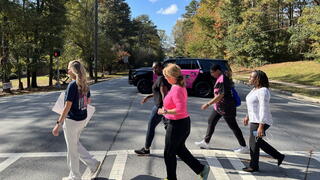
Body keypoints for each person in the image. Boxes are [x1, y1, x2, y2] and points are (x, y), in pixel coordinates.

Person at [158, 63, 209, 180]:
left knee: (169, 153)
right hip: (181, 124)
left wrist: (164, 111)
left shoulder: (176, 88)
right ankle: (201, 169)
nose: (165, 78)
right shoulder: (177, 86)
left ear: (172, 76)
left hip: (177, 125)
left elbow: (180, 110)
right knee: (179, 150)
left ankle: (171, 178)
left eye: (166, 76)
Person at [52, 60, 100, 180]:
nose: (67, 70)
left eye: (68, 68)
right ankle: (91, 163)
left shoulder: (72, 85)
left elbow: (67, 106)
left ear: (72, 71)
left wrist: (58, 123)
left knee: (72, 149)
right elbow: (88, 101)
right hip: (81, 120)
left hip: (72, 121)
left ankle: (75, 176)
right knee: (75, 145)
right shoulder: (84, 83)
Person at [195, 64, 249, 154]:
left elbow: (220, 95)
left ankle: (244, 146)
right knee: (211, 121)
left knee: (233, 126)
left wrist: (208, 104)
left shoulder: (223, 79)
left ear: (218, 71)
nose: (212, 74)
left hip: (227, 107)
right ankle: (206, 142)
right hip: (219, 107)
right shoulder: (220, 78)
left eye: (212, 72)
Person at [242, 70, 285, 172]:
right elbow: (253, 106)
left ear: (258, 79)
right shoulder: (255, 89)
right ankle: (279, 156)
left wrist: (261, 126)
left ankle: (253, 166)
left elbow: (263, 109)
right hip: (254, 120)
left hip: (260, 121)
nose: (249, 78)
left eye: (251, 77)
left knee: (254, 143)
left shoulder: (263, 91)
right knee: (258, 142)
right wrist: (247, 116)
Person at [135, 62, 170, 155]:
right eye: (153, 68)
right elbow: (157, 92)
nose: (154, 70)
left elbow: (164, 95)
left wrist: (164, 109)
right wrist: (148, 97)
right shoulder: (160, 78)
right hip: (160, 107)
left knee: (152, 127)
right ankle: (177, 148)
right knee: (169, 128)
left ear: (161, 68)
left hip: (160, 108)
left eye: (155, 68)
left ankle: (146, 149)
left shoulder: (162, 79)